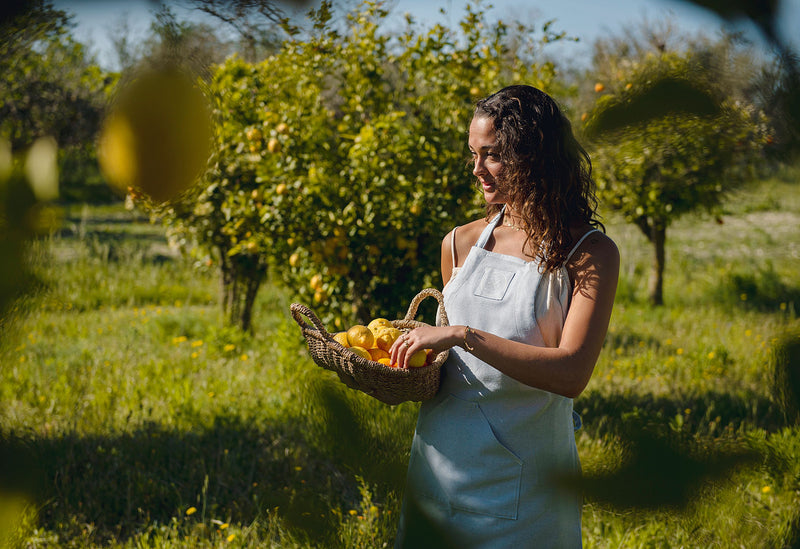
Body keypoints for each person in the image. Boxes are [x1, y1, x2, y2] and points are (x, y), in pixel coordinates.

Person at [389, 85, 620, 548]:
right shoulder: (459, 243)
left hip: (529, 484)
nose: (478, 170)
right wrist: (404, 359)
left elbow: (572, 372)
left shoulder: (587, 254)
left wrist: (460, 335)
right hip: (439, 465)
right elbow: (446, 366)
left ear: (533, 156)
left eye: (492, 156)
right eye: (473, 155)